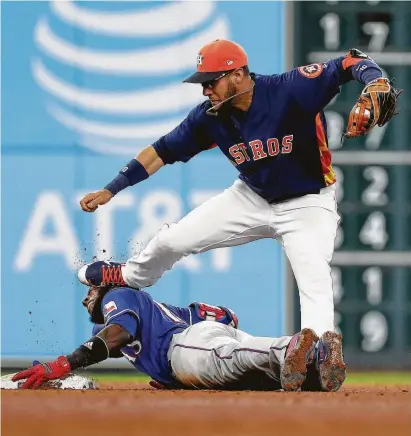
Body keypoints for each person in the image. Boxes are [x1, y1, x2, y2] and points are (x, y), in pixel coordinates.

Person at [77, 39, 401, 391]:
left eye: (212, 80)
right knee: (174, 238)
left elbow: (350, 61)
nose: (205, 89)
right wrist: (113, 187)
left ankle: (321, 356)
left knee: (314, 278)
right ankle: (129, 275)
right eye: (202, 81)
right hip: (251, 197)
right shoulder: (209, 117)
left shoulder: (290, 89)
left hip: (308, 201)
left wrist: (373, 80)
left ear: (237, 74)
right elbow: (161, 151)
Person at [12, 282, 344, 392]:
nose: (87, 298)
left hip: (183, 344)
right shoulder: (138, 313)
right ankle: (316, 365)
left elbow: (117, 336)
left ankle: (290, 346)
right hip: (206, 335)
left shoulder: (120, 294)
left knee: (225, 359)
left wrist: (62, 364)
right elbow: (228, 316)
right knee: (250, 372)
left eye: (91, 289)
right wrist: (63, 380)